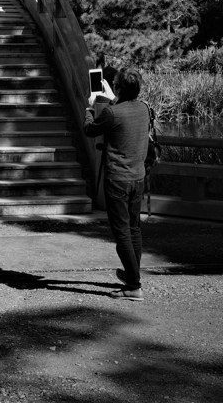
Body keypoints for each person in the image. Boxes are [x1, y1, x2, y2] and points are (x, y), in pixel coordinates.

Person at [84, 67, 150, 301]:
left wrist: (91, 106)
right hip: (138, 178)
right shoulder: (144, 109)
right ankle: (133, 275)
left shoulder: (112, 113)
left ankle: (133, 285)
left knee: (121, 232)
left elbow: (90, 130)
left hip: (117, 180)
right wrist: (113, 96)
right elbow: (126, 110)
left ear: (120, 87)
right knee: (134, 230)